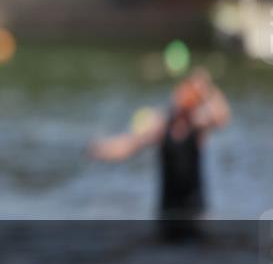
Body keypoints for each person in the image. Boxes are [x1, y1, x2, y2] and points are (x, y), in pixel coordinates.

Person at [88, 68, 231, 240]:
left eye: (190, 94)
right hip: (167, 210)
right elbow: (130, 143)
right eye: (183, 91)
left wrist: (207, 89)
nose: (184, 97)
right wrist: (103, 149)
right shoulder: (162, 125)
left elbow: (221, 117)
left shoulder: (198, 127)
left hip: (195, 211)